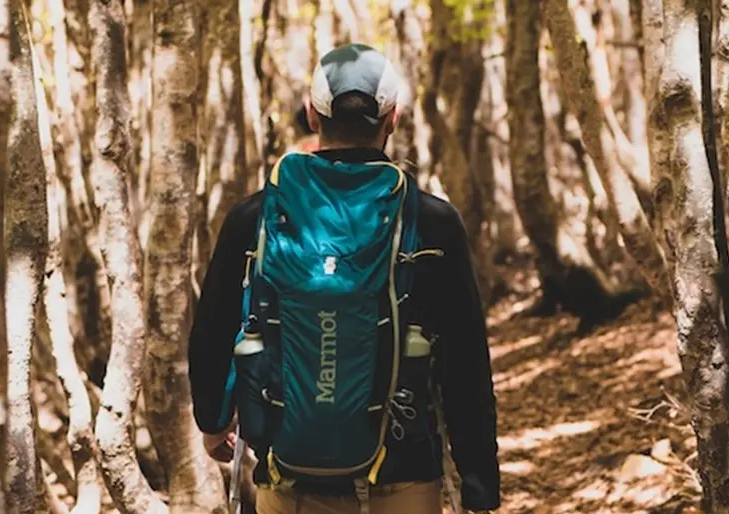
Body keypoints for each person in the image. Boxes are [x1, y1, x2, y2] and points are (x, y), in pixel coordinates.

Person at [188, 43, 500, 514]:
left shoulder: (256, 218)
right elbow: (465, 362)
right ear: (392, 118)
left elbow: (212, 330)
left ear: (313, 116)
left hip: (288, 479)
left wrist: (213, 421)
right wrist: (478, 483)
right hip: (404, 480)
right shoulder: (430, 222)